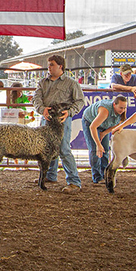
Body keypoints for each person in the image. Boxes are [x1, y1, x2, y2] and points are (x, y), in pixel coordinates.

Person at [33, 55, 84, 194]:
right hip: (47, 118)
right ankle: (50, 175)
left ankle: (74, 181)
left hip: (61, 119)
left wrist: (70, 112)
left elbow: (79, 101)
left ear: (60, 66)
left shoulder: (71, 83)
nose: (49, 67)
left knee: (63, 149)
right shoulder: (43, 82)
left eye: (52, 65)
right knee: (47, 148)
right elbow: (36, 98)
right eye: (49, 65)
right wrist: (42, 109)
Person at [82, 96, 127, 184]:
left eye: (125, 108)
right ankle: (97, 177)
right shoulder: (105, 110)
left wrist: (104, 133)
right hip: (90, 122)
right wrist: (98, 144)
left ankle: (105, 174)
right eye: (121, 108)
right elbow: (93, 127)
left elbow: (117, 125)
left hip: (104, 126)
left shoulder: (122, 113)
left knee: (105, 149)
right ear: (114, 105)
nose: (123, 110)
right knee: (95, 149)